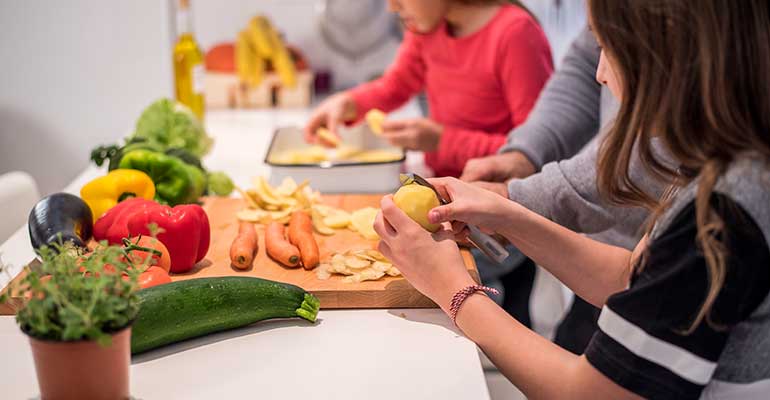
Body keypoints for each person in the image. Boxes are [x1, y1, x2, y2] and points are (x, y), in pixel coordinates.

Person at [375, 0, 770, 398]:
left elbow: (590, 393)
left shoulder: (721, 214)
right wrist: (509, 215)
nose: (599, 75)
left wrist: (451, 289)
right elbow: (630, 276)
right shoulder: (723, 166)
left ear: (666, 55)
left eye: (606, 48)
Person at [304, 0, 553, 178]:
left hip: (502, 216)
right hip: (448, 191)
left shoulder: (515, 34)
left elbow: (534, 155)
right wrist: (348, 103)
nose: (391, 7)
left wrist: (441, 141)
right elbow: (395, 86)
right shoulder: (426, 28)